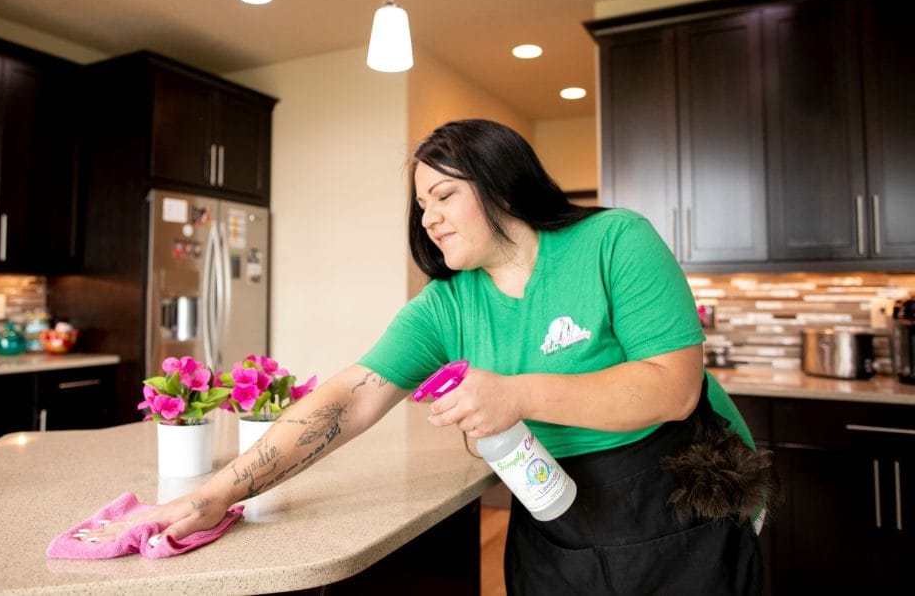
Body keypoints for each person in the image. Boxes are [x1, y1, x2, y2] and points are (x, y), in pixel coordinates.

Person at [82, 119, 771, 594]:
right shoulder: (447, 305)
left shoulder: (614, 240)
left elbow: (670, 386)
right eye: (420, 206)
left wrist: (514, 394)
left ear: (502, 182)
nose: (429, 218)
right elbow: (350, 396)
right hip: (558, 527)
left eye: (443, 194)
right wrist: (215, 492)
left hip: (674, 505)